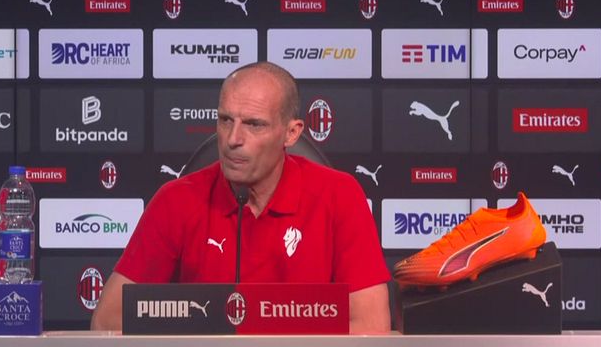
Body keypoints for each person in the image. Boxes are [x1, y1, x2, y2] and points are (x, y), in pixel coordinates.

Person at [91, 62, 390, 333]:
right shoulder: (176, 200)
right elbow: (107, 321)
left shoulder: (339, 196)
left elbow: (371, 324)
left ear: (291, 133)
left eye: (254, 124)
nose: (233, 139)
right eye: (225, 120)